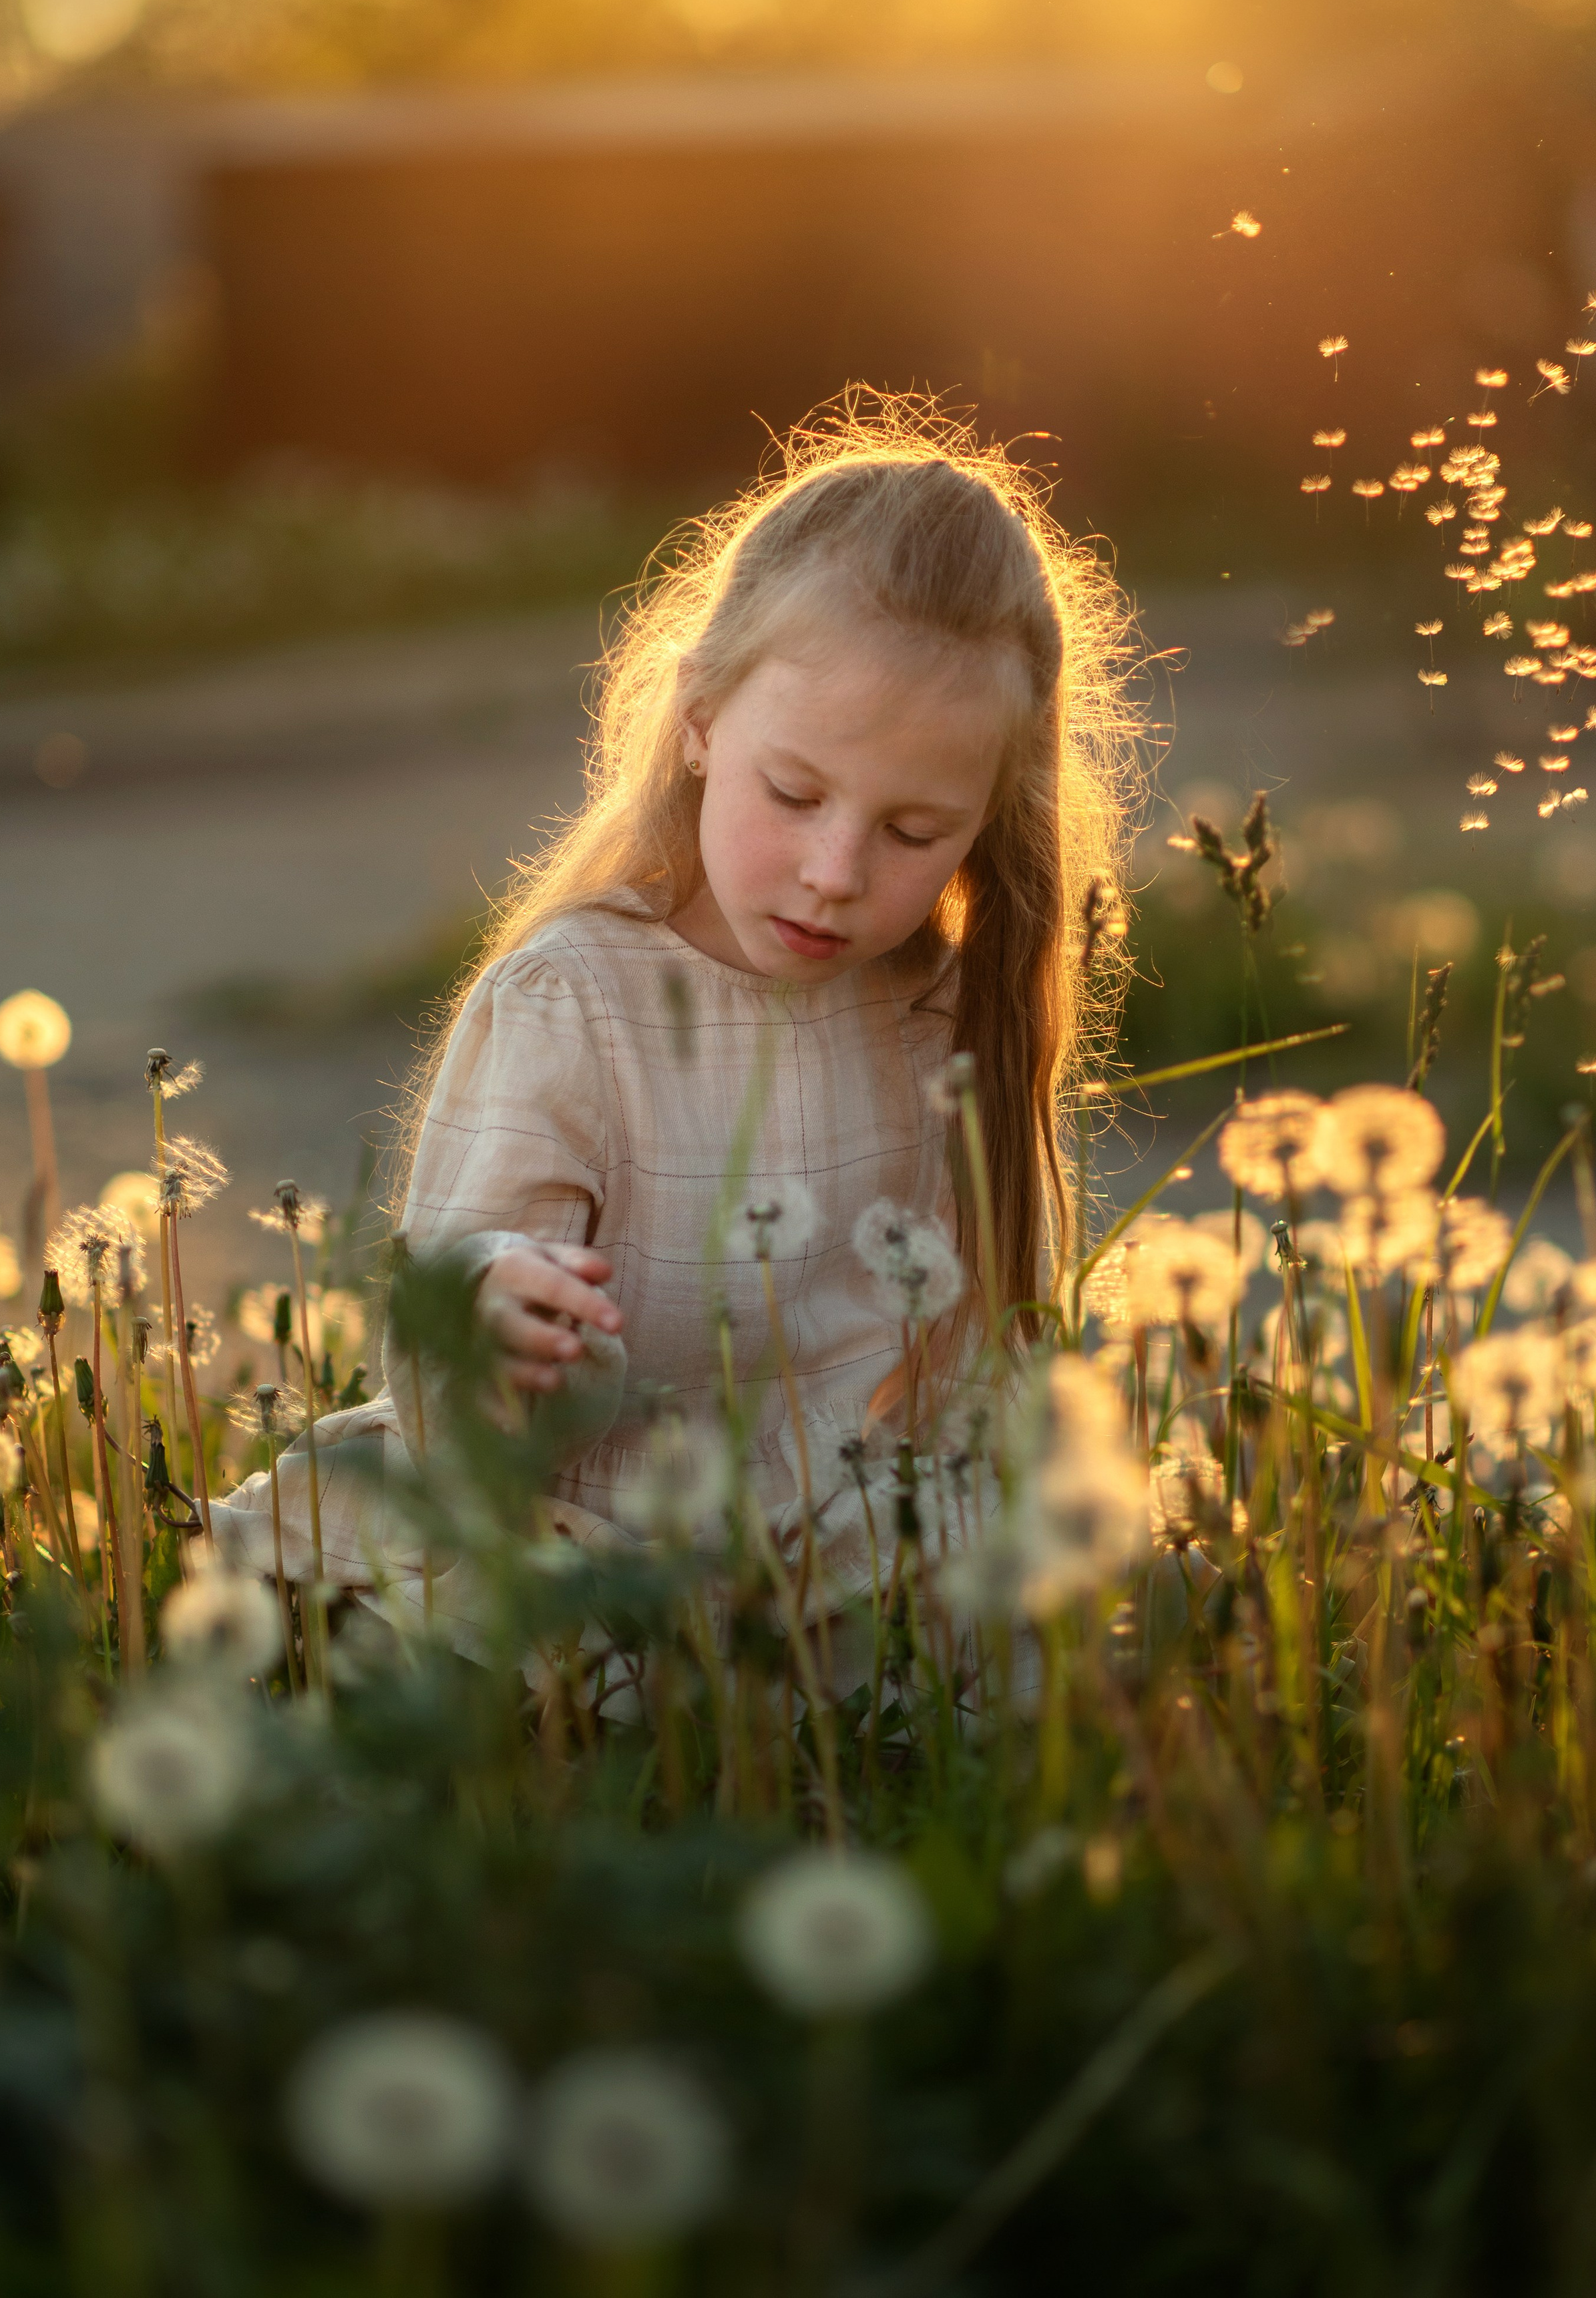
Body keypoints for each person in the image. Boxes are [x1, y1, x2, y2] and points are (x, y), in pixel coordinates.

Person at [214, 394, 1137, 1655]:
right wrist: (496, 1314)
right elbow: (452, 1310)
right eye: (795, 792)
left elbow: (967, 1369)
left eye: (913, 832)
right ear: (700, 718)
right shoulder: (575, 1003)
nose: (834, 867)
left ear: (987, 817)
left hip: (840, 1549)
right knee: (508, 1663)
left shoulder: (941, 1001)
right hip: (591, 1539)